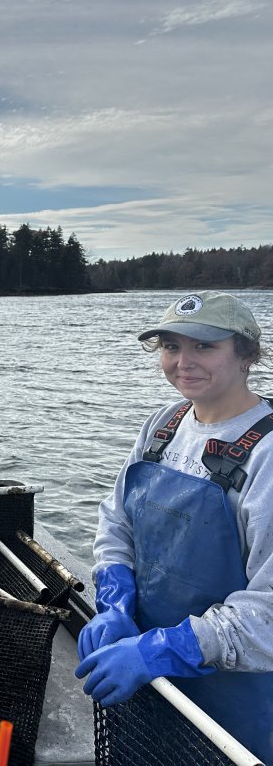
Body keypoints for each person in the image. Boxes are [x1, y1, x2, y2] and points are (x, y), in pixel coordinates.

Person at [75, 290, 273, 762]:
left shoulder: (267, 453)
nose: (183, 362)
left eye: (204, 346)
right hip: (150, 682)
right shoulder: (165, 425)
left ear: (245, 354)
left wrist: (160, 650)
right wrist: (114, 600)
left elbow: (268, 612)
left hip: (241, 700)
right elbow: (117, 519)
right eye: (171, 346)